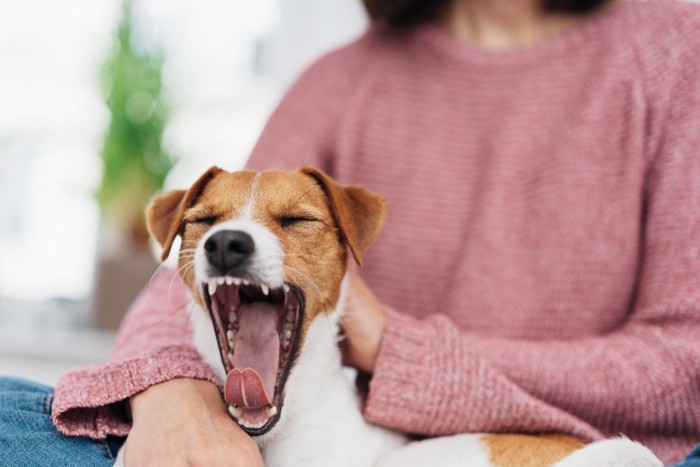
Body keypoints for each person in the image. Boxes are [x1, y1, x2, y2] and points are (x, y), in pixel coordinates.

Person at [2, 0, 699, 465]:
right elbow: (201, 261)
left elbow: (684, 365)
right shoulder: (339, 80)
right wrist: (174, 394)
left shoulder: (677, 51)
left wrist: (397, 347)